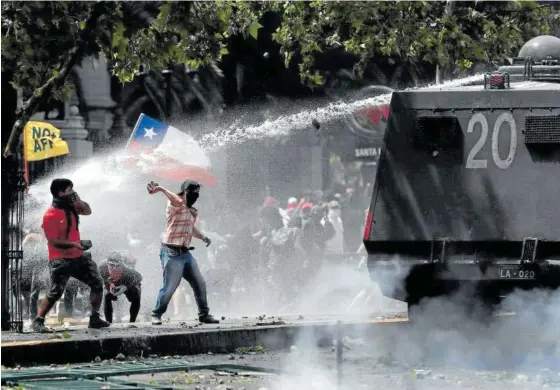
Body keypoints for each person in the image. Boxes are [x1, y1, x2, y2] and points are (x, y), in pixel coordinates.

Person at [32, 178, 110, 332]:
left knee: (96, 283)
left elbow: (87, 211)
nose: (73, 192)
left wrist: (78, 199)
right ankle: (38, 321)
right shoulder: (50, 215)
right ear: (60, 193)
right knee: (55, 292)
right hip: (60, 260)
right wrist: (74, 244)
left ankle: (94, 318)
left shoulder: (72, 206)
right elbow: (53, 242)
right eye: (70, 190)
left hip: (79, 256)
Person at [147, 179, 219, 325]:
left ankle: (204, 315)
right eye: (193, 193)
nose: (196, 196)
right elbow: (175, 199)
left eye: (198, 194)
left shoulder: (192, 211)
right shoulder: (176, 203)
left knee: (200, 283)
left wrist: (203, 237)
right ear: (185, 192)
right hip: (171, 252)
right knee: (170, 287)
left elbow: (190, 228)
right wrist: (160, 188)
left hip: (186, 254)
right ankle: (156, 314)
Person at [98, 252, 142, 323]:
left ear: (121, 264)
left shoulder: (128, 269)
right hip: (112, 282)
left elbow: (139, 277)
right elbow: (100, 278)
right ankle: (108, 322)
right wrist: (109, 284)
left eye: (117, 266)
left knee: (137, 294)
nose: (114, 268)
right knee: (106, 296)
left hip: (126, 281)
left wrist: (125, 287)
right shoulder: (102, 266)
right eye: (111, 265)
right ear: (107, 264)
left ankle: (132, 322)